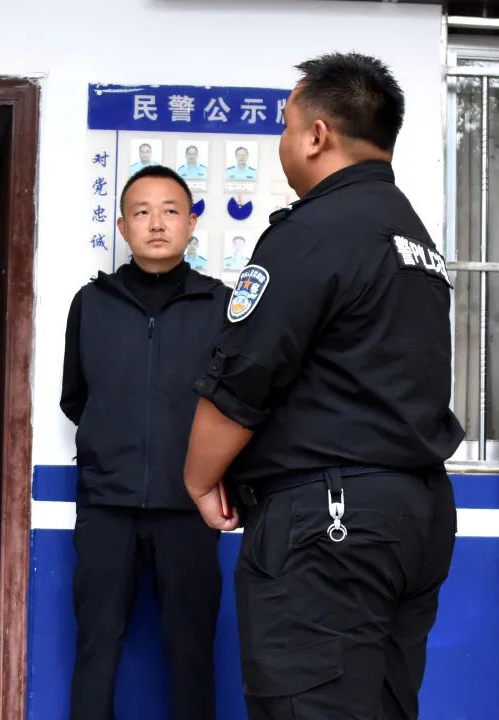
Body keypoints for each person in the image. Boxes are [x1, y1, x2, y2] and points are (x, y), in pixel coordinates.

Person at [183, 53, 464, 719]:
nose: (282, 140)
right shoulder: (413, 237)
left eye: (287, 124)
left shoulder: (312, 232)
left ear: (317, 135)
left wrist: (198, 479)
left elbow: (244, 376)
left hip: (330, 523)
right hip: (415, 515)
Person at [62, 165, 229, 720]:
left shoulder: (219, 306)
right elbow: (76, 397)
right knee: (96, 647)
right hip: (107, 506)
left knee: (191, 653)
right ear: (123, 226)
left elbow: (235, 403)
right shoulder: (92, 303)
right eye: (141, 212)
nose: (156, 224)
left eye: (170, 211)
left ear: (191, 223)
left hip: (189, 508)